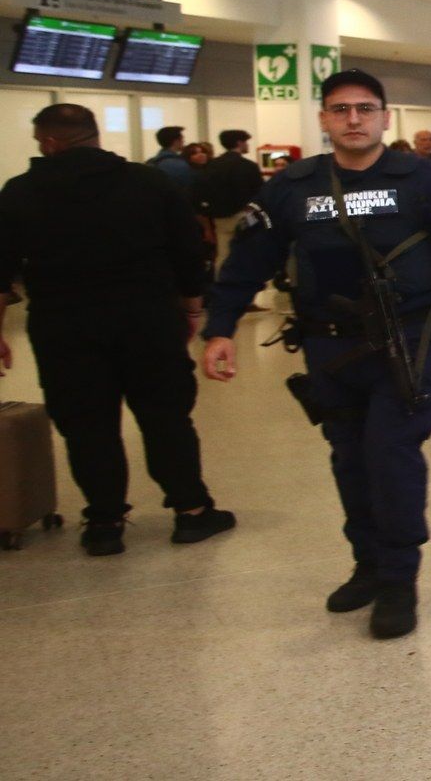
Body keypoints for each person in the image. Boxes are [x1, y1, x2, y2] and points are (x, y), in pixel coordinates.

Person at [201, 70, 431, 640]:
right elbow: (247, 261)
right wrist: (220, 328)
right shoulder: (292, 186)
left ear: (385, 118)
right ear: (324, 118)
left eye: (365, 109)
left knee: (391, 456)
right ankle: (368, 564)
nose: (353, 120)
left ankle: (398, 579)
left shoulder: (426, 182)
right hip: (329, 346)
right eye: (340, 109)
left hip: (407, 343)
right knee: (349, 458)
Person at [0, 105, 236, 556]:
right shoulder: (148, 183)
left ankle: (104, 523)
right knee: (166, 417)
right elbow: (188, 250)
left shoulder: (20, 192)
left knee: (86, 424)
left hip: (63, 326)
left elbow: (0, 270)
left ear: (49, 142)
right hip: (147, 319)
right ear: (94, 135)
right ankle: (191, 512)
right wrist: (191, 308)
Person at [198, 129, 264, 273]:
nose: (247, 145)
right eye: (246, 142)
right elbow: (260, 194)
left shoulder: (212, 165)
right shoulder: (248, 166)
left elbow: (202, 193)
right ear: (239, 143)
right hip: (246, 215)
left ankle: (222, 282)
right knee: (248, 253)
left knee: (223, 254)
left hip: (220, 217)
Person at [148, 125, 193, 190]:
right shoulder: (180, 164)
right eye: (182, 139)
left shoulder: (150, 162)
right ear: (176, 141)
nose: (184, 142)